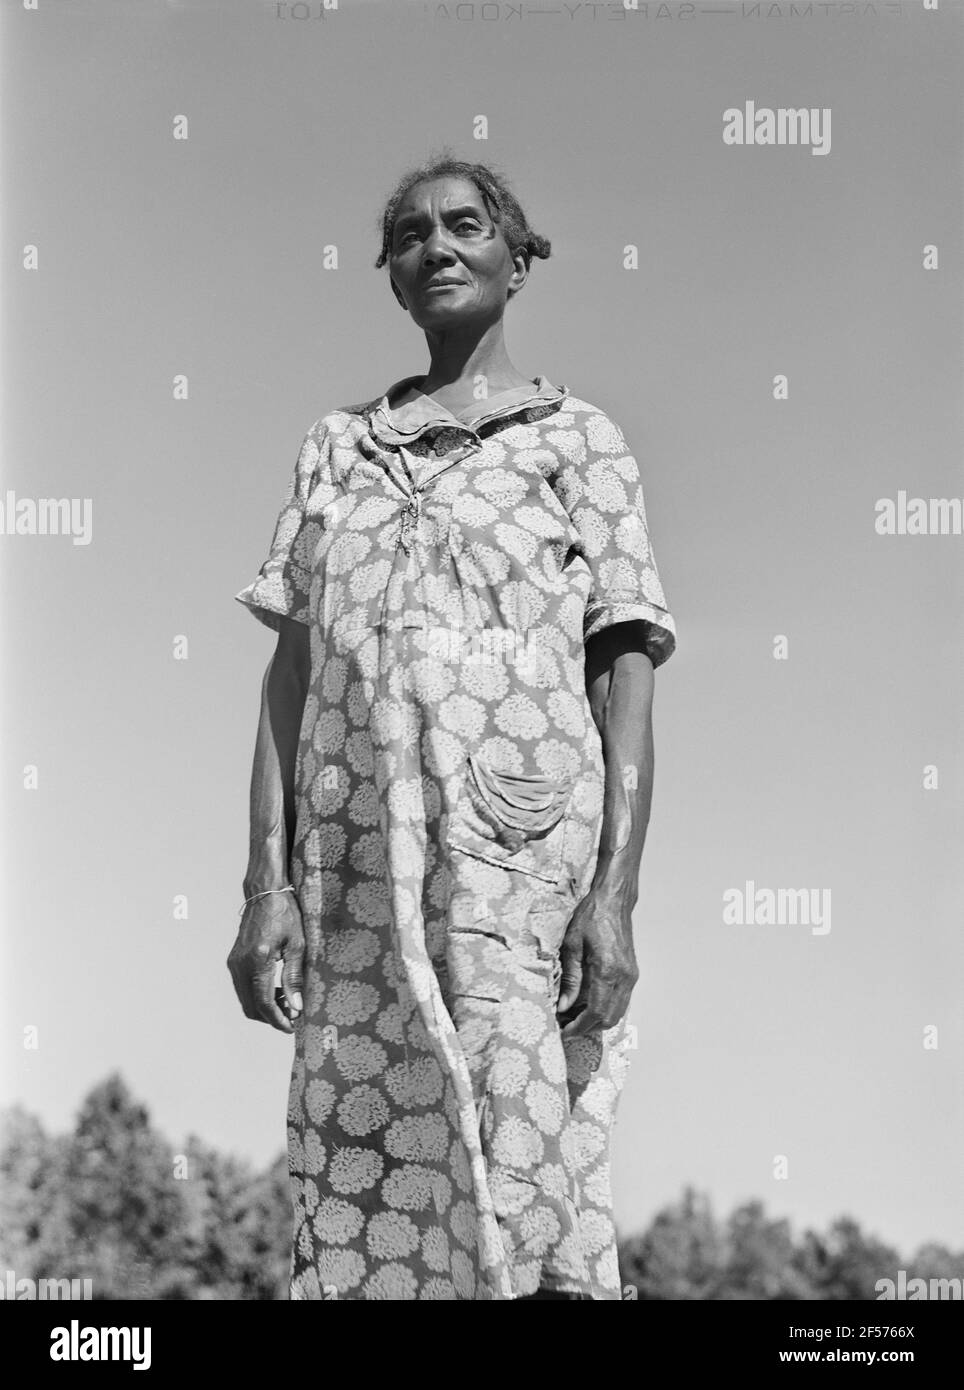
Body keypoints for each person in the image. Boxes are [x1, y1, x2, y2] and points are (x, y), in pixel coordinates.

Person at [228, 155, 677, 1300]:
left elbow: (626, 666)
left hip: (517, 845)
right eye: (411, 234)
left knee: (518, 1131)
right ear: (390, 276)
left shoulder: (577, 441)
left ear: (517, 260)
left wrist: (613, 895)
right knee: (369, 1148)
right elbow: (292, 674)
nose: (438, 246)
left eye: (466, 225)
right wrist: (263, 889)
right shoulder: (338, 449)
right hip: (356, 858)